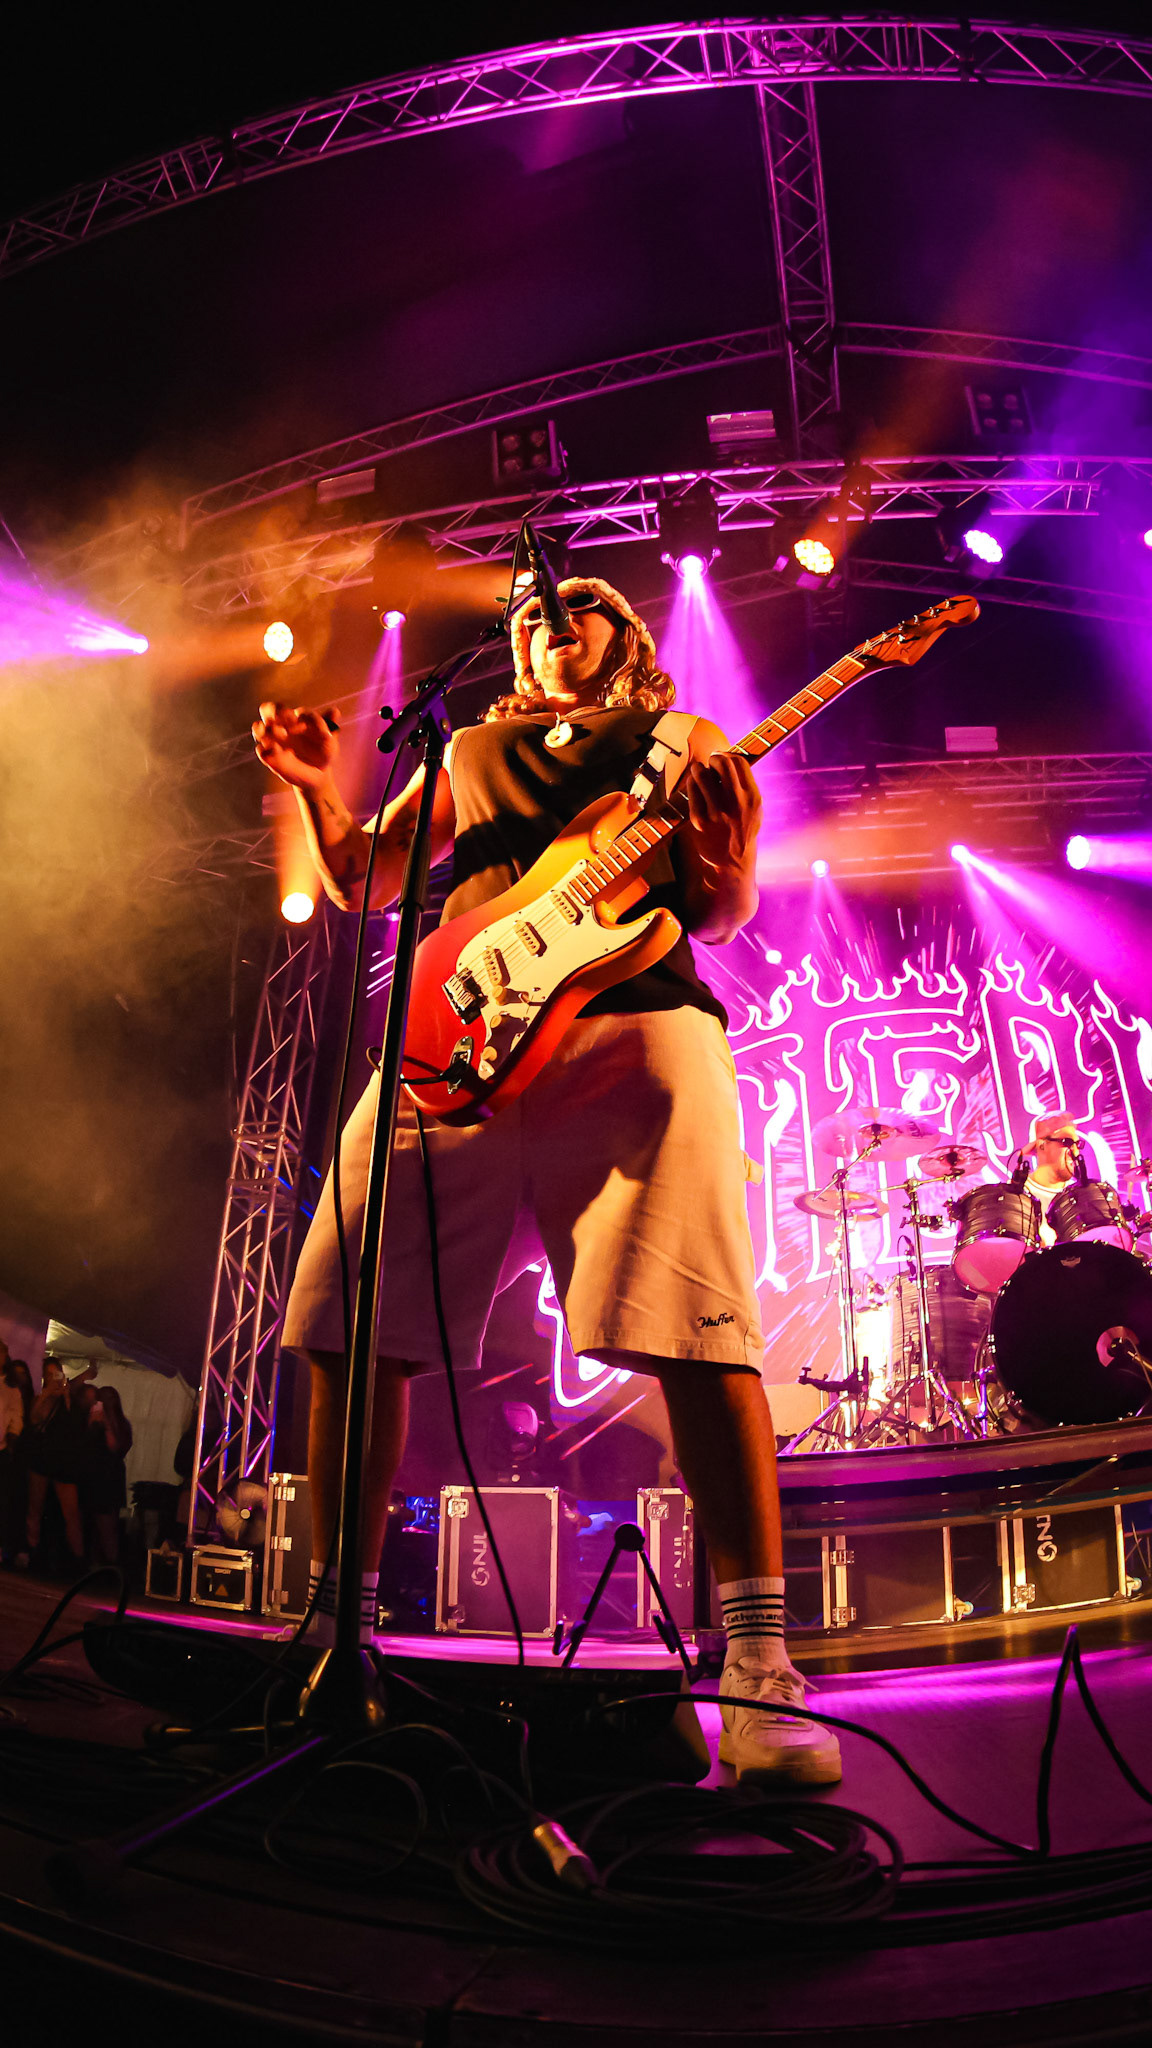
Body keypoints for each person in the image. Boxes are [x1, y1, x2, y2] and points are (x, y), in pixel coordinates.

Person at [253, 574, 841, 1783]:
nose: (548, 618)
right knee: (348, 1317)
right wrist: (314, 786)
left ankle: (759, 1667)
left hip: (634, 1026)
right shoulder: (466, 747)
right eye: (531, 612)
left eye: (580, 603)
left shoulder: (681, 738)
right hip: (452, 1038)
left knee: (700, 1335)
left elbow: (718, 911)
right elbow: (365, 875)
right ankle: (334, 1634)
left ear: (628, 638)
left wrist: (726, 859)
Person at [78, 1381, 133, 1563]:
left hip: (109, 1476)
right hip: (92, 1475)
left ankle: (111, 1562)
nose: (107, 1402)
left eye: (110, 1398)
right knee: (90, 1522)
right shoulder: (89, 1419)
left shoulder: (121, 1424)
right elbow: (83, 1445)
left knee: (108, 1523)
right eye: (103, 1398)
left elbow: (116, 1447)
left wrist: (107, 1423)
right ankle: (93, 1562)